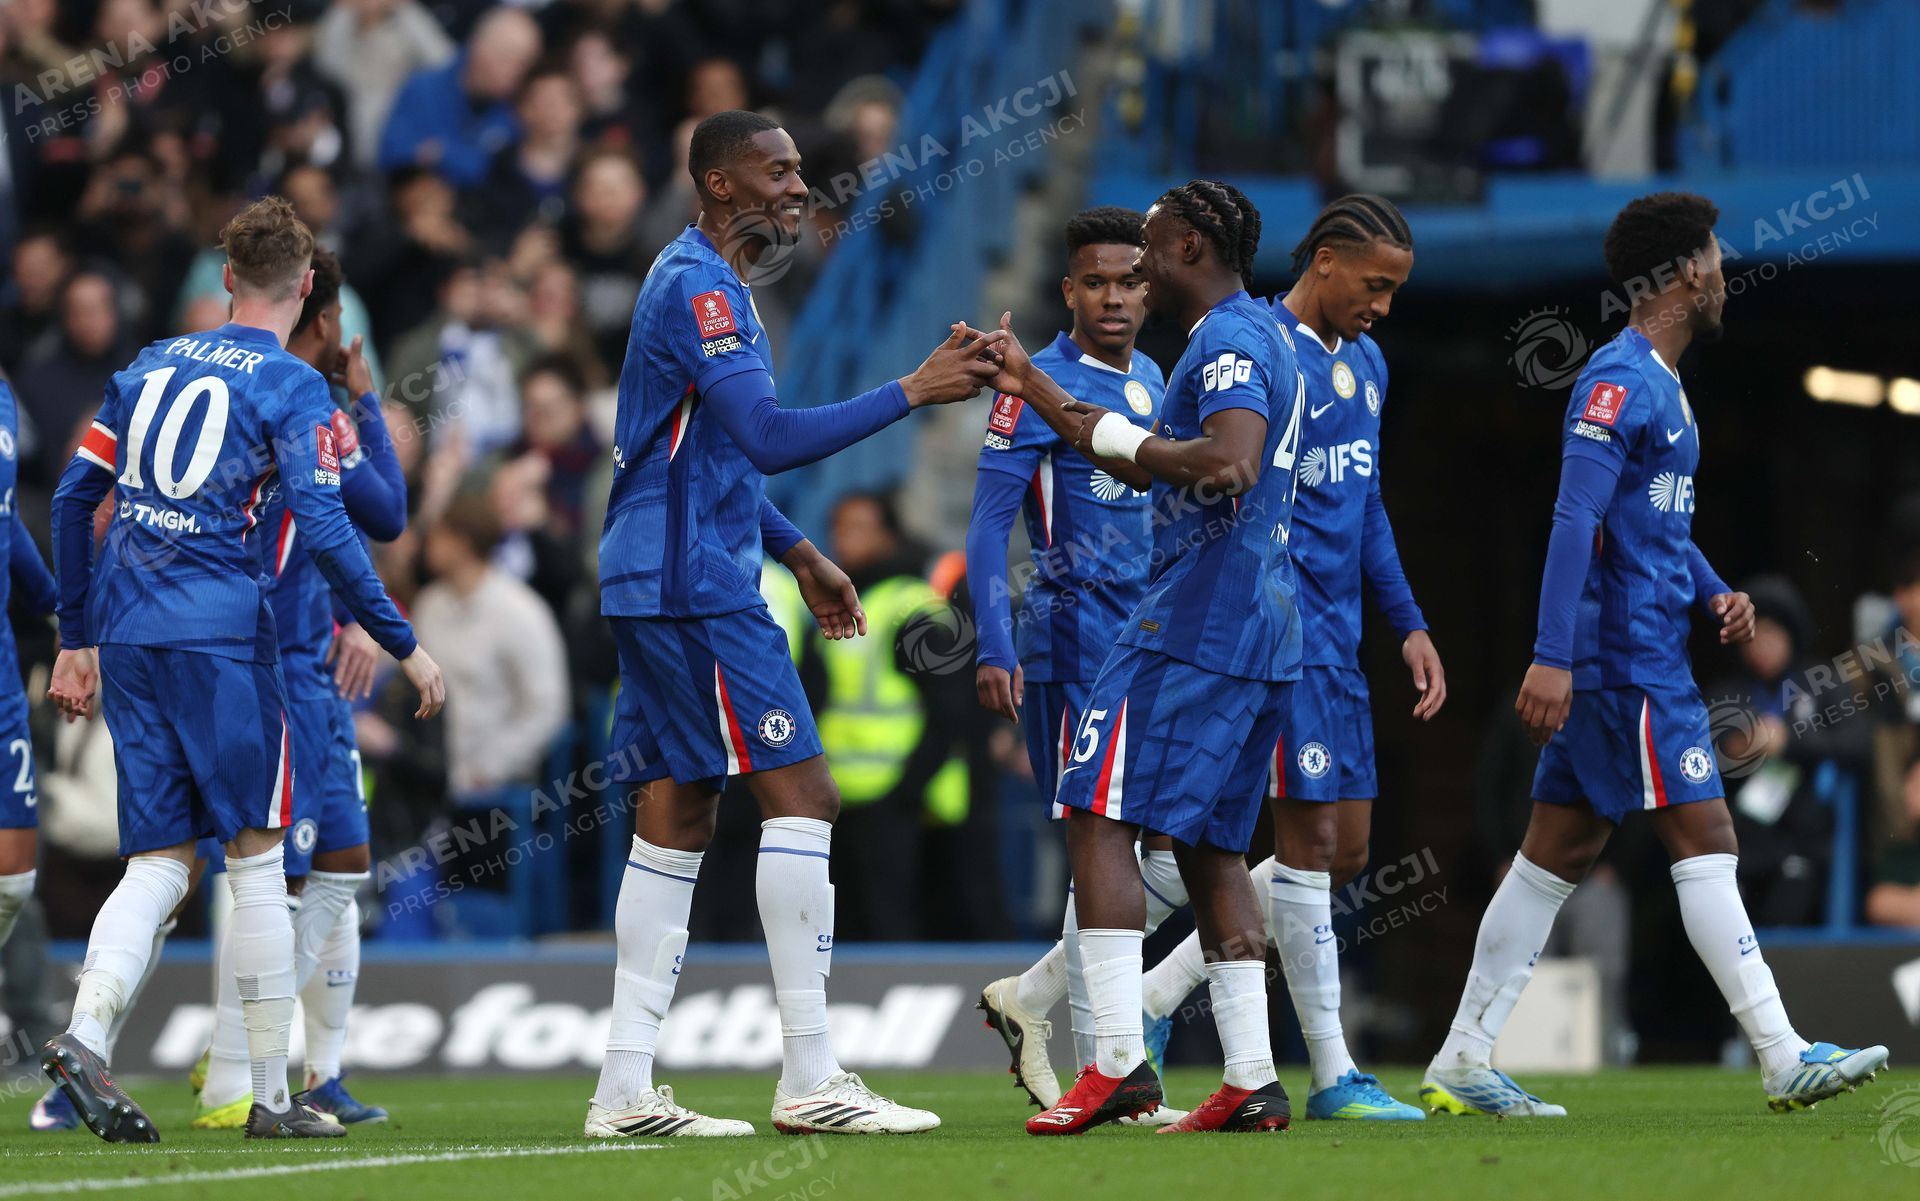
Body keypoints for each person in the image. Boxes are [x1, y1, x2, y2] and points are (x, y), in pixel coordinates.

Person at [1421, 192, 1887, 1117]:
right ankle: (1782, 1053)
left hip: (1635, 655)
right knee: (1706, 836)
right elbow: (1575, 517)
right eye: (1713, 260)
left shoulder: (1664, 384)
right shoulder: (1617, 383)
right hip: (1627, 664)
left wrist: (1711, 587)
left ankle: (1462, 1056)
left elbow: (1652, 523)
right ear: (1681, 274)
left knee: (1550, 857)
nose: (1723, 276)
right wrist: (1551, 656)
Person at [585, 109, 1003, 1139]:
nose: (796, 186)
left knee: (679, 810)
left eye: (798, 170)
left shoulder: (704, 282)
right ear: (719, 184)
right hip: (692, 585)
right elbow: (767, 436)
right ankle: (812, 1074)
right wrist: (914, 389)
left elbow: (713, 458)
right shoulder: (703, 288)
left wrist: (801, 551)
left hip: (660, 572)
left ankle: (623, 1088)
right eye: (774, 171)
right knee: (805, 795)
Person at [41, 196, 444, 1143]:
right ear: (305, 288)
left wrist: (74, 634)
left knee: (158, 862)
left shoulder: (146, 365)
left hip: (128, 633)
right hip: (224, 641)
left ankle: (84, 1035)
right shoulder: (293, 386)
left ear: (226, 278)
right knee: (259, 863)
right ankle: (269, 1095)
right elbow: (338, 528)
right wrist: (402, 640)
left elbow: (72, 496)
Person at [980, 180, 1304, 1136]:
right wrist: (1037, 387)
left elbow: (1229, 461)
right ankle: (1251, 1078)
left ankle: (1116, 1061)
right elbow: (1131, 453)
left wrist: (1119, 431)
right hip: (1258, 627)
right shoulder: (1257, 334)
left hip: (1191, 626)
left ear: (1190, 245)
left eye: (1152, 246)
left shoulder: (1226, 342)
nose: (1138, 266)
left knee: (1096, 809)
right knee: (1210, 846)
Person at [1132, 195, 1440, 1120]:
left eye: (1395, 291)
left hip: (1342, 640)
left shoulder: (1369, 364)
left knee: (1349, 850)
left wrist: (1408, 621)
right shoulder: (1260, 347)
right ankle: (1332, 1072)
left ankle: (1147, 995)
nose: (1382, 306)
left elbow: (1366, 503)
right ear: (1325, 260)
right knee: (1305, 850)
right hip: (1277, 630)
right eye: (1374, 285)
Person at [965, 206, 1188, 1124]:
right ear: (1068, 290)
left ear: (1149, 289)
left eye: (1129, 281)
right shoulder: (1033, 385)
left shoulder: (1155, 378)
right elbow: (987, 526)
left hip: (1152, 643)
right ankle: (1117, 1074)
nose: (1114, 298)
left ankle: (1036, 1000)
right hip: (1073, 642)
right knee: (1104, 846)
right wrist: (993, 642)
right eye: (1095, 282)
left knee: (1167, 858)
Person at [191, 249, 410, 1130]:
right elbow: (385, 510)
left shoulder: (242, 392)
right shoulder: (305, 402)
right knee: (272, 875)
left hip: (287, 652)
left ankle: (316, 1071)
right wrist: (367, 400)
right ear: (322, 319)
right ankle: (236, 1056)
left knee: (335, 865)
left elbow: (334, 530)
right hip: (278, 665)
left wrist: (352, 619)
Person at [0, 377, 58, 950]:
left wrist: (55, 607)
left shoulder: (4, 400)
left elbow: (6, 512)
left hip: (2, 671)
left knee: (13, 880)